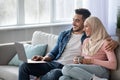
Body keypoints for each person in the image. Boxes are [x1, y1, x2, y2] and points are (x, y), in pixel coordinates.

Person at [19, 8, 118, 80]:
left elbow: (102, 37)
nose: (73, 23)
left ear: (85, 22)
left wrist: (116, 42)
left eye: (77, 21)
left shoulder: (89, 36)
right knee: (24, 66)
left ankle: (40, 78)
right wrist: (44, 58)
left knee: (56, 75)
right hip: (54, 63)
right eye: (73, 20)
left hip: (68, 67)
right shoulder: (65, 34)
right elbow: (54, 51)